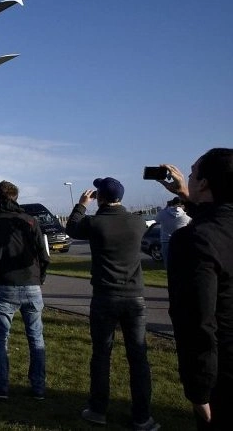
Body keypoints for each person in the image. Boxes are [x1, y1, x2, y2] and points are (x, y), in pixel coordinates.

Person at [66, 177, 158, 430]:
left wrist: (82, 204)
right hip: (134, 297)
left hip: (105, 296)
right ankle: (142, 416)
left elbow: (72, 228)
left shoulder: (95, 223)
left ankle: (98, 409)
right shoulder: (137, 222)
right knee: (138, 358)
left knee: (101, 355)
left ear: (101, 198)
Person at [158, 149, 233, 429]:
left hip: (223, 373)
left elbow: (196, 321)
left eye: (191, 172)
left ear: (204, 183)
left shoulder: (193, 241)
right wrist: (188, 197)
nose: (186, 177)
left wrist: (198, 388)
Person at [0, 180, 49, 400]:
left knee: (1, 338)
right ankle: (38, 386)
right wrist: (40, 277)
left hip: (5, 284)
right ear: (15, 196)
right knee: (36, 337)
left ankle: (1, 385)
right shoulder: (29, 220)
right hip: (31, 283)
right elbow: (43, 253)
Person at [154, 196, 191, 267]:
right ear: (182, 205)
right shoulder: (186, 215)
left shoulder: (163, 213)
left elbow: (156, 220)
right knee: (183, 265)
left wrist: (166, 208)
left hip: (166, 241)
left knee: (169, 266)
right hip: (181, 241)